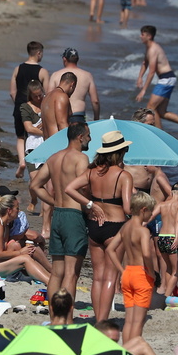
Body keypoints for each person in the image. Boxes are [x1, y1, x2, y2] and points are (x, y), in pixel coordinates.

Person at [66, 130, 134, 323]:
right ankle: (102, 322)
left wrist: (90, 205)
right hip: (116, 228)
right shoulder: (123, 175)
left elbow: (69, 188)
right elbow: (128, 208)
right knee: (110, 277)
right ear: (120, 152)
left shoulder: (92, 172)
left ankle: (98, 319)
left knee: (98, 277)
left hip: (95, 226)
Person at [29, 122, 94, 296]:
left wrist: (53, 201)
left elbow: (35, 185)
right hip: (74, 216)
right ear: (80, 137)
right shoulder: (81, 158)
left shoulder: (53, 158)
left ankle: (53, 313)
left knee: (57, 272)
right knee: (71, 273)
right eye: (88, 135)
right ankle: (67, 316)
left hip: (58, 215)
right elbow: (83, 188)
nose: (90, 139)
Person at [108, 191, 159, 343]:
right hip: (141, 275)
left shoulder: (125, 227)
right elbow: (147, 254)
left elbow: (110, 249)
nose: (151, 216)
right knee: (138, 321)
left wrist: (121, 270)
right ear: (143, 210)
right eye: (150, 212)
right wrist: (152, 273)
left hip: (127, 273)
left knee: (129, 320)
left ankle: (126, 350)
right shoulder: (143, 231)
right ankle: (134, 352)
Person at [0, 192, 51, 283]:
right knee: (25, 259)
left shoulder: (5, 226)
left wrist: (24, 245)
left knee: (31, 248)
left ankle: (53, 274)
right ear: (9, 210)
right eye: (17, 208)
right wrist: (20, 252)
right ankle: (50, 282)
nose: (19, 211)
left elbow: (6, 247)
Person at [135, 26, 178, 134]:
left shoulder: (154, 49)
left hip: (166, 79)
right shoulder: (149, 48)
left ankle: (159, 133)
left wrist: (144, 90)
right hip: (167, 79)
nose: (140, 36)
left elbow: (152, 71)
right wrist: (140, 77)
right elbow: (145, 63)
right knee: (161, 111)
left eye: (143, 34)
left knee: (151, 107)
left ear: (149, 36)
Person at [8, 42, 49, 176]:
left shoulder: (17, 69)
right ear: (39, 53)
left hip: (19, 106)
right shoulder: (42, 72)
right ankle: (37, 161)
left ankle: (22, 162)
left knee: (20, 137)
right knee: (35, 135)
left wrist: (19, 105)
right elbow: (47, 94)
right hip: (36, 109)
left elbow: (12, 92)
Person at [154, 180, 178, 298]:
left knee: (168, 269)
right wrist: (176, 238)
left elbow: (149, 217)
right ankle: (167, 297)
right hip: (171, 238)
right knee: (176, 271)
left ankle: (166, 294)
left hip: (161, 238)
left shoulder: (162, 204)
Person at [45, 47, 100, 124]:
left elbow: (48, 97)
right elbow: (95, 101)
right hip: (79, 116)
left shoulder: (55, 75)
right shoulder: (87, 75)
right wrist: (96, 118)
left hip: (60, 114)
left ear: (64, 59)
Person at [40, 72, 75, 138]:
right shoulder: (61, 96)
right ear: (72, 84)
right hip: (58, 141)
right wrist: (71, 142)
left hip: (47, 142)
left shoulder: (46, 97)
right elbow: (62, 123)